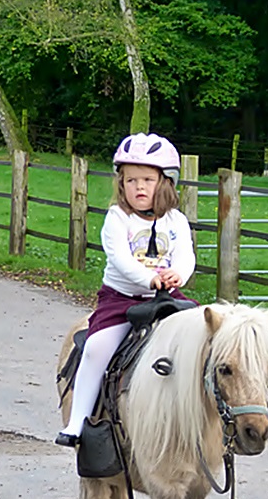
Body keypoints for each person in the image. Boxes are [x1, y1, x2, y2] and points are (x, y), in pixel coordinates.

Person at [56, 132, 196, 447]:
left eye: (148, 179)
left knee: (201, 340)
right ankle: (78, 420)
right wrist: (148, 278)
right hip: (122, 299)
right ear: (121, 184)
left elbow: (186, 256)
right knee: (96, 348)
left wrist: (178, 276)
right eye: (131, 181)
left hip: (167, 298)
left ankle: (200, 417)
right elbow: (119, 259)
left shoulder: (176, 220)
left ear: (165, 182)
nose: (140, 187)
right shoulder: (118, 219)